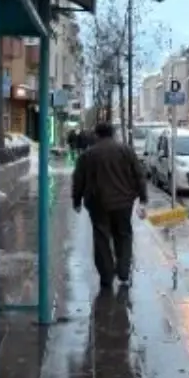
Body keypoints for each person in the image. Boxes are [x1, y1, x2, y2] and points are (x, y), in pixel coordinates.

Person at [71, 122, 149, 288]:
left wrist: (76, 200)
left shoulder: (88, 154)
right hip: (123, 202)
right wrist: (143, 199)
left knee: (101, 238)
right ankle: (123, 270)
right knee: (124, 234)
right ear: (113, 134)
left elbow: (78, 180)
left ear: (97, 135)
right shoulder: (126, 151)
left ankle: (106, 275)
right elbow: (139, 175)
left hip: (98, 202)